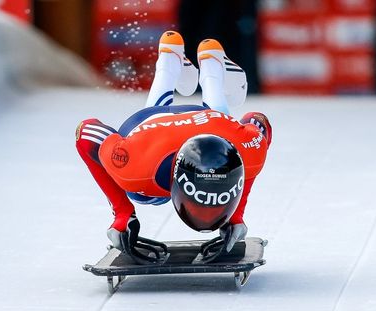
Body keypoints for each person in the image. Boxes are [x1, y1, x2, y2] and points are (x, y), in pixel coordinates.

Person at [75, 31, 272, 257]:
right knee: (143, 194)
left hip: (208, 124)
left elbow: (86, 130)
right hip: (152, 133)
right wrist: (122, 212)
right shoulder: (133, 167)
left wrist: (123, 216)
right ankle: (199, 64)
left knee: (220, 120)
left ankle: (190, 62)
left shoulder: (249, 150)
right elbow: (86, 131)